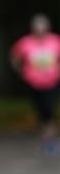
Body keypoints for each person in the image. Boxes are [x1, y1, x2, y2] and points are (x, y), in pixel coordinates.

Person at [10, 14, 60, 155]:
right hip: (34, 83)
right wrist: (20, 71)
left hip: (52, 82)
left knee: (49, 110)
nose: (40, 31)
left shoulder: (55, 41)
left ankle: (50, 140)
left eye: (42, 28)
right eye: (37, 28)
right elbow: (14, 56)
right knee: (41, 111)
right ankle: (46, 138)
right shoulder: (25, 42)